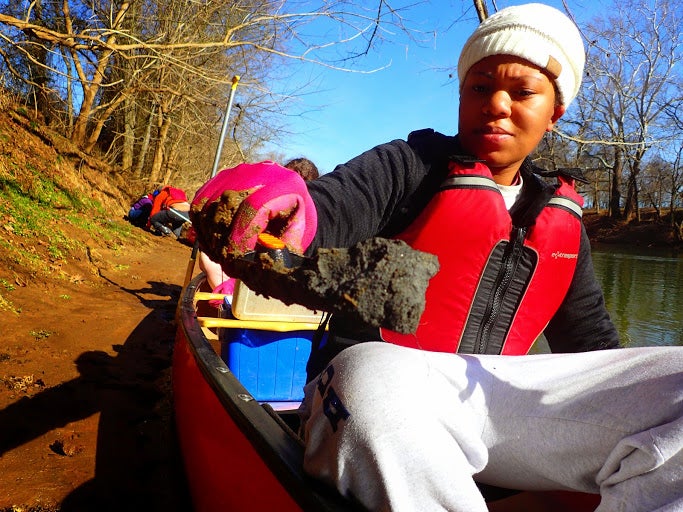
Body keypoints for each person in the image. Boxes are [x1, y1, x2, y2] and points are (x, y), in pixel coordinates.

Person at [189, 4, 682, 511]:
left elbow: (595, 355)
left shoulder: (565, 221)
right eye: (479, 86)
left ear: (555, 112)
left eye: (523, 92)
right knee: (372, 381)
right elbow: (327, 210)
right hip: (372, 399)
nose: (496, 104)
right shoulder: (408, 166)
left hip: (495, 415)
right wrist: (278, 197)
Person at [197, 157, 319, 302]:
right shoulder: (259, 188)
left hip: (266, 284)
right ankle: (227, 295)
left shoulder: (305, 222)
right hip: (231, 261)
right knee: (209, 258)